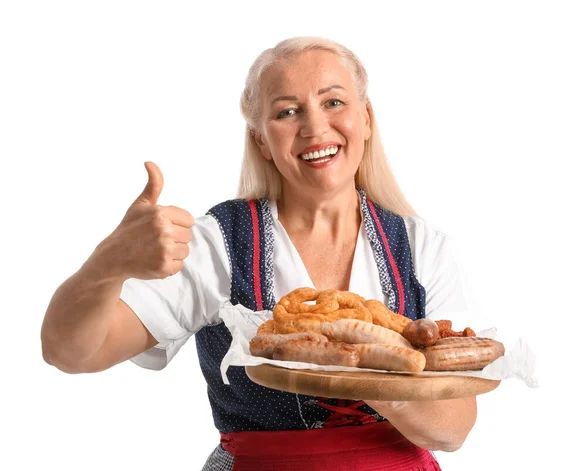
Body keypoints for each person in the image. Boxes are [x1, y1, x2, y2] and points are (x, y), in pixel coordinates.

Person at [41, 36, 477, 470]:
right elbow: (71, 353)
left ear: (365, 119)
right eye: (287, 111)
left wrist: (362, 364)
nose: (314, 128)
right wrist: (106, 265)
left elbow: (453, 429)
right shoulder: (218, 243)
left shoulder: (422, 246)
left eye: (333, 102)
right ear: (262, 141)